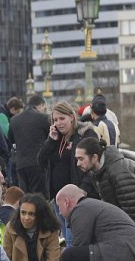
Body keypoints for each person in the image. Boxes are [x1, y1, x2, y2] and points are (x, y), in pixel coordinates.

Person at [75, 137, 135, 246]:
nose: (78, 163)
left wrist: (131, 236)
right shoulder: (96, 172)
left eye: (81, 159)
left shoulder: (118, 172)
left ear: (94, 157)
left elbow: (134, 208)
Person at [38, 101, 98, 245]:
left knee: (74, 240)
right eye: (55, 120)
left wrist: (82, 191)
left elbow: (93, 166)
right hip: (59, 199)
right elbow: (41, 160)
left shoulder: (85, 134)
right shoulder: (56, 138)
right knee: (67, 236)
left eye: (62, 118)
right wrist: (51, 141)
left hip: (76, 199)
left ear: (72, 117)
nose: (58, 123)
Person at [3, 193, 62, 261]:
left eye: (31, 214)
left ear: (40, 215)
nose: (26, 218)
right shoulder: (11, 228)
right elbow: (6, 256)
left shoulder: (50, 230)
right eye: (23, 213)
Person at [9, 95, 50, 197]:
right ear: (41, 105)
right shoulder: (43, 118)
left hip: (21, 165)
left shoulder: (14, 120)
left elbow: (11, 139)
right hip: (38, 164)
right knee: (39, 197)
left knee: (25, 197)